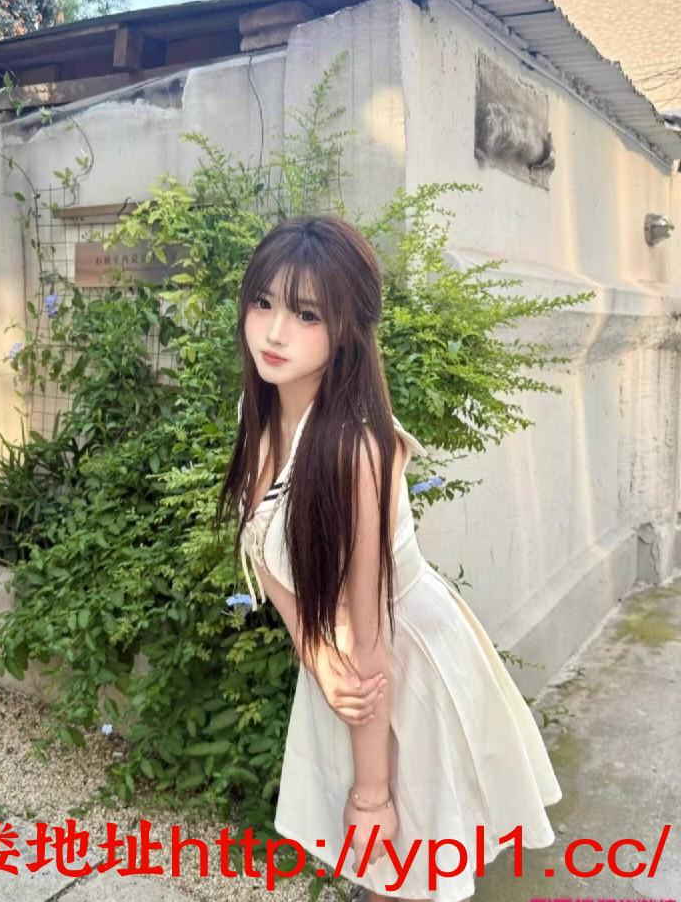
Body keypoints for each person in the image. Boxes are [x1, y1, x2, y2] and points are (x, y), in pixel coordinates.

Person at [215, 214, 562, 901]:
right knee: (383, 868)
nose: (274, 332)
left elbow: (370, 632)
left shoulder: (355, 451)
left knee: (401, 859)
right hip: (343, 661)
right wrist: (314, 649)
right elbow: (264, 545)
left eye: (306, 314)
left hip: (396, 665)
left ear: (346, 327)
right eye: (263, 302)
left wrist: (371, 795)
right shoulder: (263, 414)